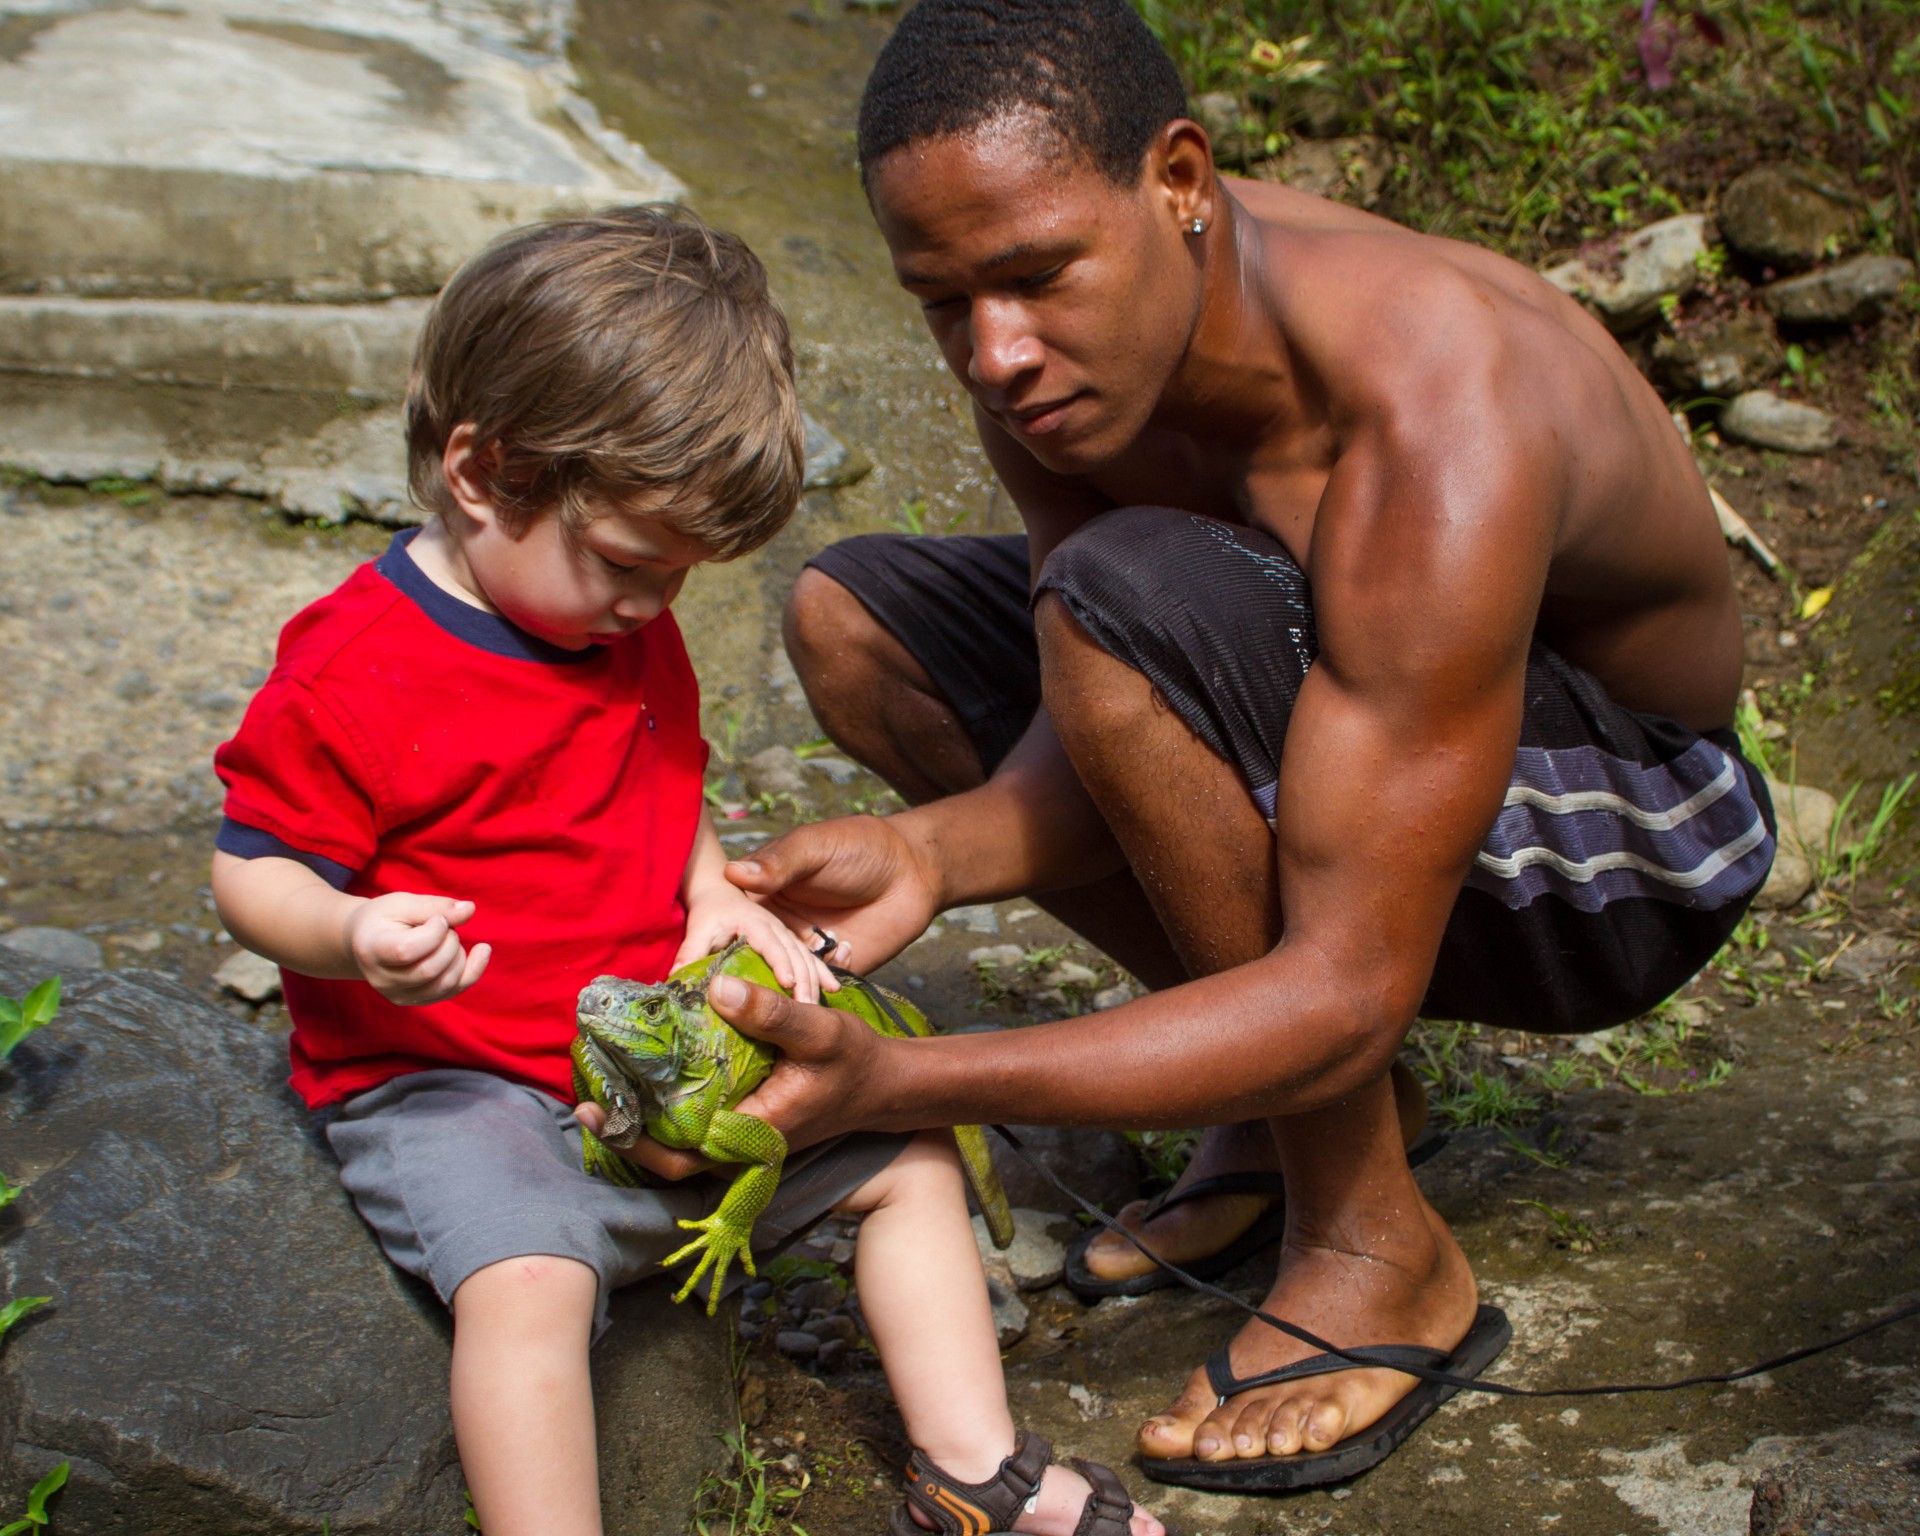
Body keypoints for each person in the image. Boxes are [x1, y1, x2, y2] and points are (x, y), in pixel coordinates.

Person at [617, 0, 1779, 1494]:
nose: (996, 353)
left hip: (1634, 835)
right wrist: (928, 849)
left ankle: (1372, 1243)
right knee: (860, 621)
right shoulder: (1058, 361)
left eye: (1036, 278)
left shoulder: (1438, 401)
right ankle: (1266, 1100)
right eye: (943, 301)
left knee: (1128, 596)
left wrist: (903, 1084)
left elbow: (1350, 985)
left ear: (1180, 181)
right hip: (1353, 724)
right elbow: (1102, 712)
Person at [210, 205, 1163, 1536]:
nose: (653, 611)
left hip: (653, 1051)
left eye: (680, 579)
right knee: (527, 1284)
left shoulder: (611, 625)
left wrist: (712, 891)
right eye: (629, 566)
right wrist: (351, 933)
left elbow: (658, 780)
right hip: (459, 1072)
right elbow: (251, 875)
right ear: (484, 473)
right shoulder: (352, 674)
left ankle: (972, 1466)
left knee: (915, 1153)